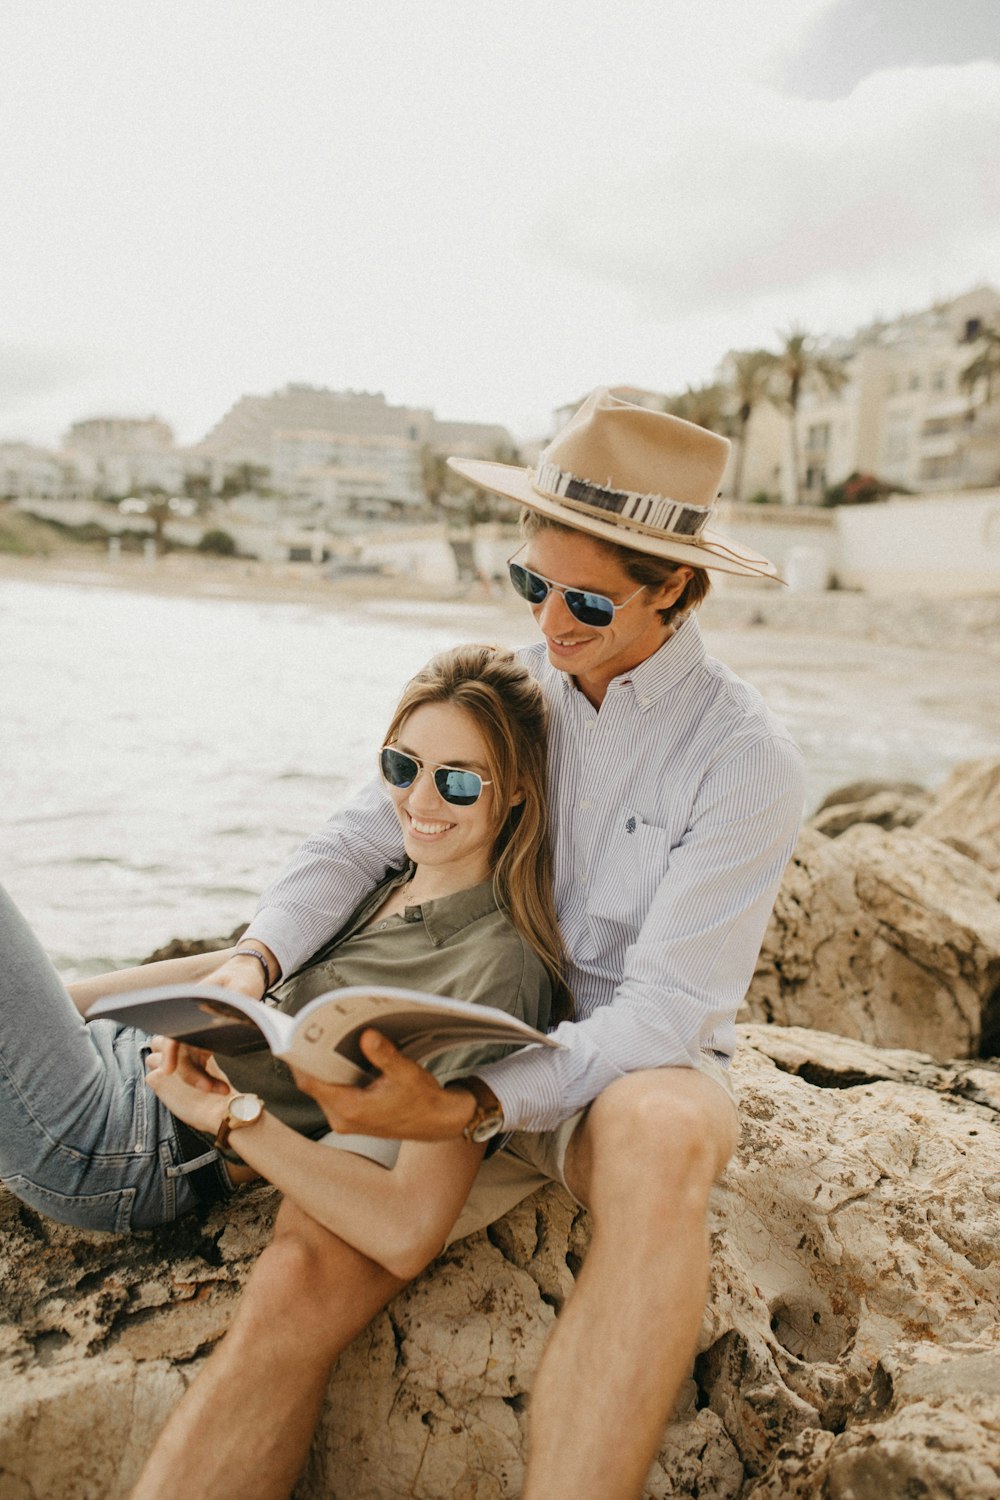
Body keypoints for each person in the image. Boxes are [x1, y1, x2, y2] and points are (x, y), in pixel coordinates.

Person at [133, 388, 806, 1500]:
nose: (548, 623)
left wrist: (478, 1106)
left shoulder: (742, 763)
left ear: (678, 590)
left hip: (594, 1074)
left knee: (665, 1135)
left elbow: (662, 1014)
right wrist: (253, 959)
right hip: (451, 1027)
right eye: (529, 581)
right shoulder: (520, 685)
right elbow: (356, 836)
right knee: (297, 1277)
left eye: (585, 599)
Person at [0, 644, 566, 1283]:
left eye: (459, 781)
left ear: (519, 791)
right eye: (402, 766)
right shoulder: (395, 877)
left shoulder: (497, 967)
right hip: (110, 1059)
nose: (420, 801)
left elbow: (409, 1229)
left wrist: (226, 1118)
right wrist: (49, 1010)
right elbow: (228, 973)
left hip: (124, 1146)